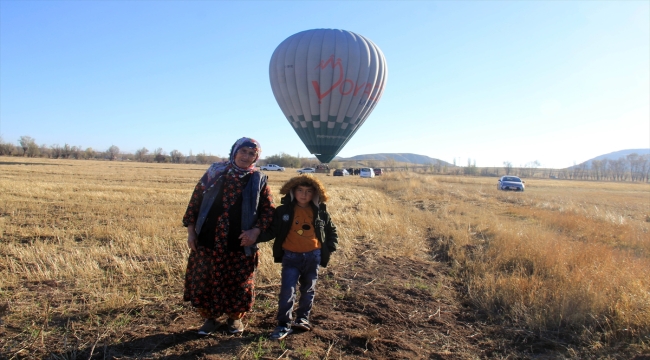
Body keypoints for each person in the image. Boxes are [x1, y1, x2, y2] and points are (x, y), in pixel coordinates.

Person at [182, 137, 274, 335]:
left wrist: (255, 232)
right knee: (206, 280)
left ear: (256, 157)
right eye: (243, 151)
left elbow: (268, 210)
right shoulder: (215, 172)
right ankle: (210, 319)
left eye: (252, 153)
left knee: (239, 282)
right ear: (234, 151)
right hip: (208, 240)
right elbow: (195, 202)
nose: (246, 156)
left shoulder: (258, 179)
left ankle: (234, 319)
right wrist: (191, 232)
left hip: (240, 243)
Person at [257, 174, 338, 340]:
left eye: (309, 191)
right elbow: (272, 230)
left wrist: (329, 247)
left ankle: (302, 318)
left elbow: (331, 231)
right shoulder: (283, 211)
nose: (304, 194)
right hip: (291, 257)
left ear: (315, 193)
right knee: (288, 290)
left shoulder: (320, 211)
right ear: (292, 191)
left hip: (313, 256)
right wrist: (254, 236)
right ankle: (283, 324)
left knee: (308, 289)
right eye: (300, 190)